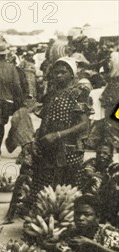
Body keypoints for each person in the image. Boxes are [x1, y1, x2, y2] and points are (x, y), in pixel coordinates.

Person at [30, 57, 91, 209]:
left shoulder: (78, 93)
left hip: (68, 150)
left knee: (66, 192)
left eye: (63, 72)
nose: (58, 75)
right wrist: (36, 139)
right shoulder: (51, 94)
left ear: (72, 74)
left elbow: (84, 124)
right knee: (46, 190)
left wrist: (58, 135)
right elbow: (45, 120)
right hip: (48, 147)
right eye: (56, 72)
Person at [0, 42, 25, 164]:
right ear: (5, 55)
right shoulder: (11, 68)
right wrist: (20, 99)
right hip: (8, 100)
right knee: (2, 124)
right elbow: (16, 86)